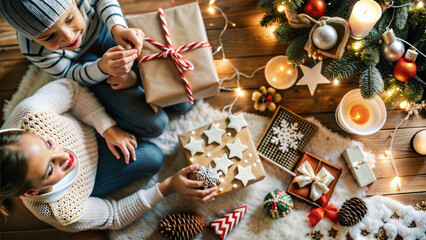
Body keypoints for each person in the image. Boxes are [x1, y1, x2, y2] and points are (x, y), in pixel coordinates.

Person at [0, 79, 216, 231]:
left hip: (91, 123)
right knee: (153, 158)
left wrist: (107, 128)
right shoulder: (63, 212)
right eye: (50, 169)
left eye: (48, 144)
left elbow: (72, 91)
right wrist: (167, 187)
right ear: (31, 192)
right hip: (95, 171)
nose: (64, 156)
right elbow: (114, 215)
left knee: (158, 124)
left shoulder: (31, 114)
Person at [0, 0, 193, 138]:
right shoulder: (34, 51)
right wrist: (102, 68)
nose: (69, 38)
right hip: (82, 63)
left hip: (105, 30)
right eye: (49, 37)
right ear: (33, 39)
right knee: (156, 125)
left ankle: (135, 80)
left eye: (69, 19)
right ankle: (132, 85)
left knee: (183, 102)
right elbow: (70, 74)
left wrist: (117, 27)